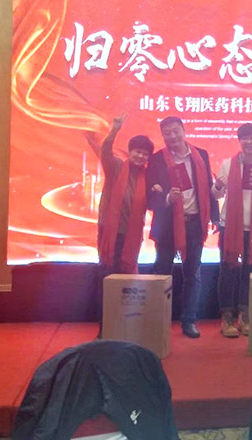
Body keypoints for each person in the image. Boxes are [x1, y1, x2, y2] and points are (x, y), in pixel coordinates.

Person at [147, 117, 217, 339]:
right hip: (167, 225)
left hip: (194, 223)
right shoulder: (157, 159)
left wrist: (214, 215)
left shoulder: (200, 155)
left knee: (193, 274)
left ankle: (189, 320)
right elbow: (150, 196)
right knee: (162, 273)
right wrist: (167, 198)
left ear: (184, 131)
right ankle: (158, 321)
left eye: (176, 131)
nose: (172, 136)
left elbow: (207, 187)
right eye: (167, 133)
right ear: (163, 136)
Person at [212, 123, 252, 338]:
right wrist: (218, 186)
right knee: (228, 271)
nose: (249, 142)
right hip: (230, 226)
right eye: (245, 138)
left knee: (250, 272)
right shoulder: (228, 164)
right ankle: (226, 317)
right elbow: (216, 194)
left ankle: (245, 315)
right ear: (240, 141)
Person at [97, 114, 154, 275]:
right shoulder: (116, 167)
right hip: (109, 228)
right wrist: (114, 131)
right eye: (137, 151)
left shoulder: (148, 177)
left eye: (145, 154)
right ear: (130, 151)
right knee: (107, 271)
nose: (140, 156)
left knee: (126, 272)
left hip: (131, 233)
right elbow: (105, 152)